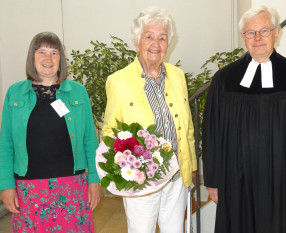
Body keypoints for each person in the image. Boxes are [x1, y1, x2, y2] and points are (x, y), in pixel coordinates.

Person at [202, 5, 286, 233]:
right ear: (243, 37)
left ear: (276, 33)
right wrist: (213, 179)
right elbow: (212, 133)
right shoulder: (224, 81)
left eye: (264, 31)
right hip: (237, 184)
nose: (257, 38)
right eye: (251, 32)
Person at [102, 6, 197, 233]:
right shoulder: (118, 81)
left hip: (175, 177)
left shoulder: (177, 76)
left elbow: (188, 128)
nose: (156, 43)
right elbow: (109, 133)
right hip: (141, 183)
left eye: (162, 38)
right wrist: (125, 168)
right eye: (149, 36)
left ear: (168, 44)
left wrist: (191, 164)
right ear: (137, 42)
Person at [0, 32, 101, 232]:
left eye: (54, 53)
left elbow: (90, 139)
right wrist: (6, 185)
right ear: (32, 57)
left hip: (72, 186)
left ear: (61, 60)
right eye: (42, 52)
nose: (48, 59)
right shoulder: (15, 92)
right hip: (28, 189)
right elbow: (6, 144)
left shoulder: (78, 91)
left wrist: (95, 180)